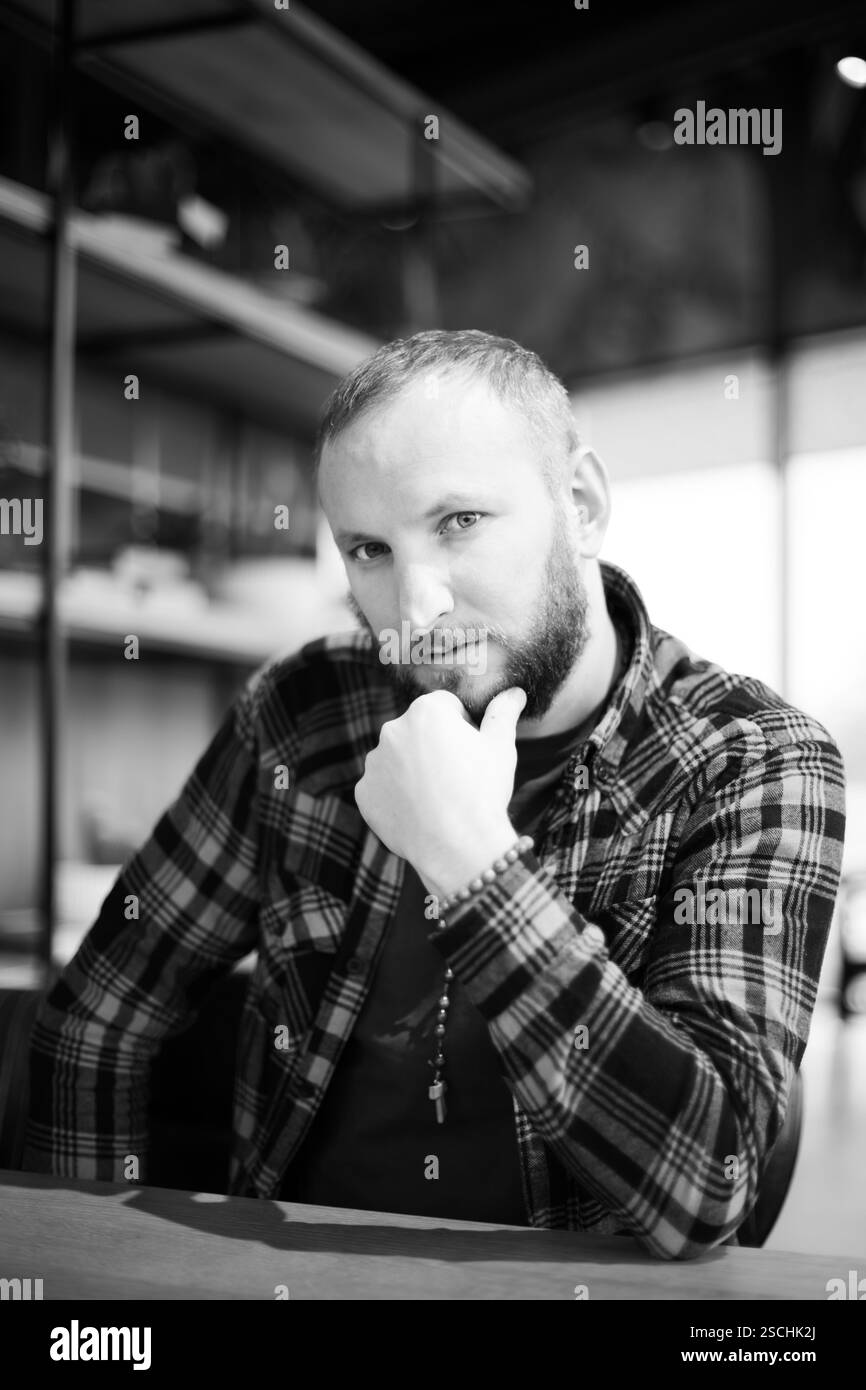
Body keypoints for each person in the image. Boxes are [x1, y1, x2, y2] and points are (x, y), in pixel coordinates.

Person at [23, 330, 845, 1259]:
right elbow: (100, 1016)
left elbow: (711, 1182)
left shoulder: (752, 758)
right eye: (370, 549)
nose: (416, 609)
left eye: (458, 523)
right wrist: (84, 1277)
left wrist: (471, 864)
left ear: (579, 504)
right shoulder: (305, 712)